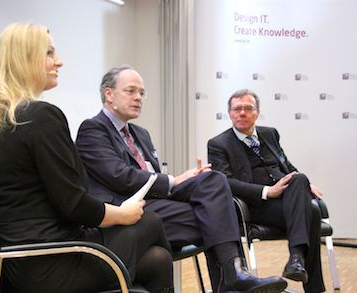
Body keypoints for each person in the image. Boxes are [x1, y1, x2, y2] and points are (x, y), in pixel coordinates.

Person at [0, 23, 174, 293]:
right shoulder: (41, 116)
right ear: (24, 59)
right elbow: (73, 205)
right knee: (150, 221)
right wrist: (121, 213)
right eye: (49, 53)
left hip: (23, 263)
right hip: (53, 263)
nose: (59, 61)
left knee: (158, 260)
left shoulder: (0, 121)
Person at [75, 65, 287, 293]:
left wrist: (181, 180)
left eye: (142, 92)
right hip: (124, 210)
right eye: (131, 91)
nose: (138, 97)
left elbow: (151, 180)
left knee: (213, 179)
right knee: (218, 217)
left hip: (155, 203)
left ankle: (234, 273)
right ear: (109, 94)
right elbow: (120, 177)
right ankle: (233, 278)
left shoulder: (141, 134)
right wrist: (173, 181)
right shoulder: (93, 129)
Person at [207, 89, 325, 293]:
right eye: (237, 109)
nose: (242, 113)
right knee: (312, 212)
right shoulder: (219, 144)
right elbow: (226, 182)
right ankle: (309, 281)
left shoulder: (270, 133)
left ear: (257, 112)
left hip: (287, 200)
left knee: (300, 179)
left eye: (248, 108)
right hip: (255, 205)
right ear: (230, 113)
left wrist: (305, 185)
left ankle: (296, 260)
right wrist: (267, 191)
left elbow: (285, 165)